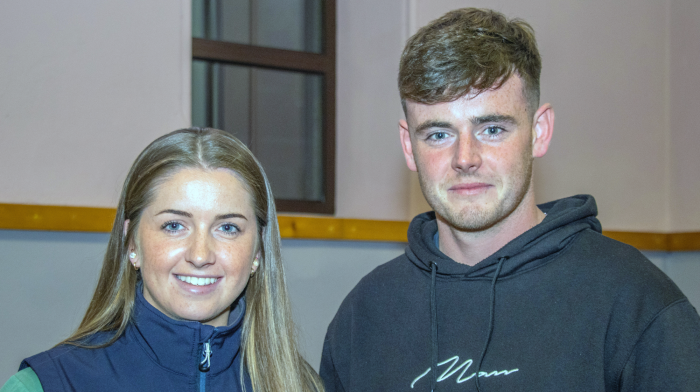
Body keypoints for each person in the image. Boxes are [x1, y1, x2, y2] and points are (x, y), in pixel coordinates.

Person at [320, 8, 700, 392]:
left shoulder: (635, 302)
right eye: (438, 134)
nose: (465, 158)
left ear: (539, 131)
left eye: (492, 128)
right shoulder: (365, 313)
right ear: (408, 145)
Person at [1, 128, 324, 392]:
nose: (200, 255)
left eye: (228, 228)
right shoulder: (48, 385)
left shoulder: (301, 385)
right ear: (132, 241)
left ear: (257, 252)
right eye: (174, 225)